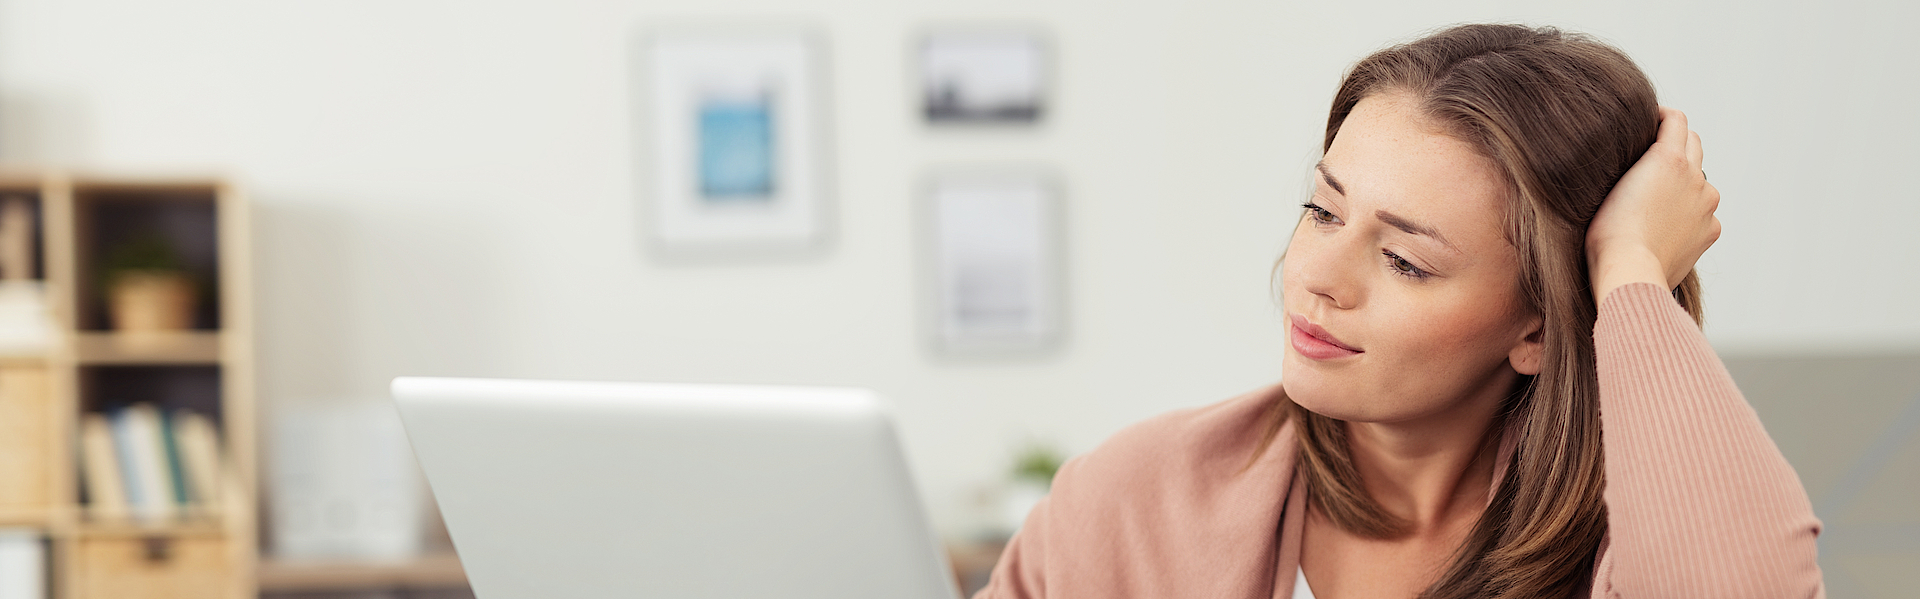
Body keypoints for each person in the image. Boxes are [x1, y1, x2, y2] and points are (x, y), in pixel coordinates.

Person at [973, 23, 1823, 599]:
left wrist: (1631, 272)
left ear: (1537, 328)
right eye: (1322, 211)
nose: (1318, 278)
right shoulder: (1131, 501)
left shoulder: (1623, 540)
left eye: (1405, 259)